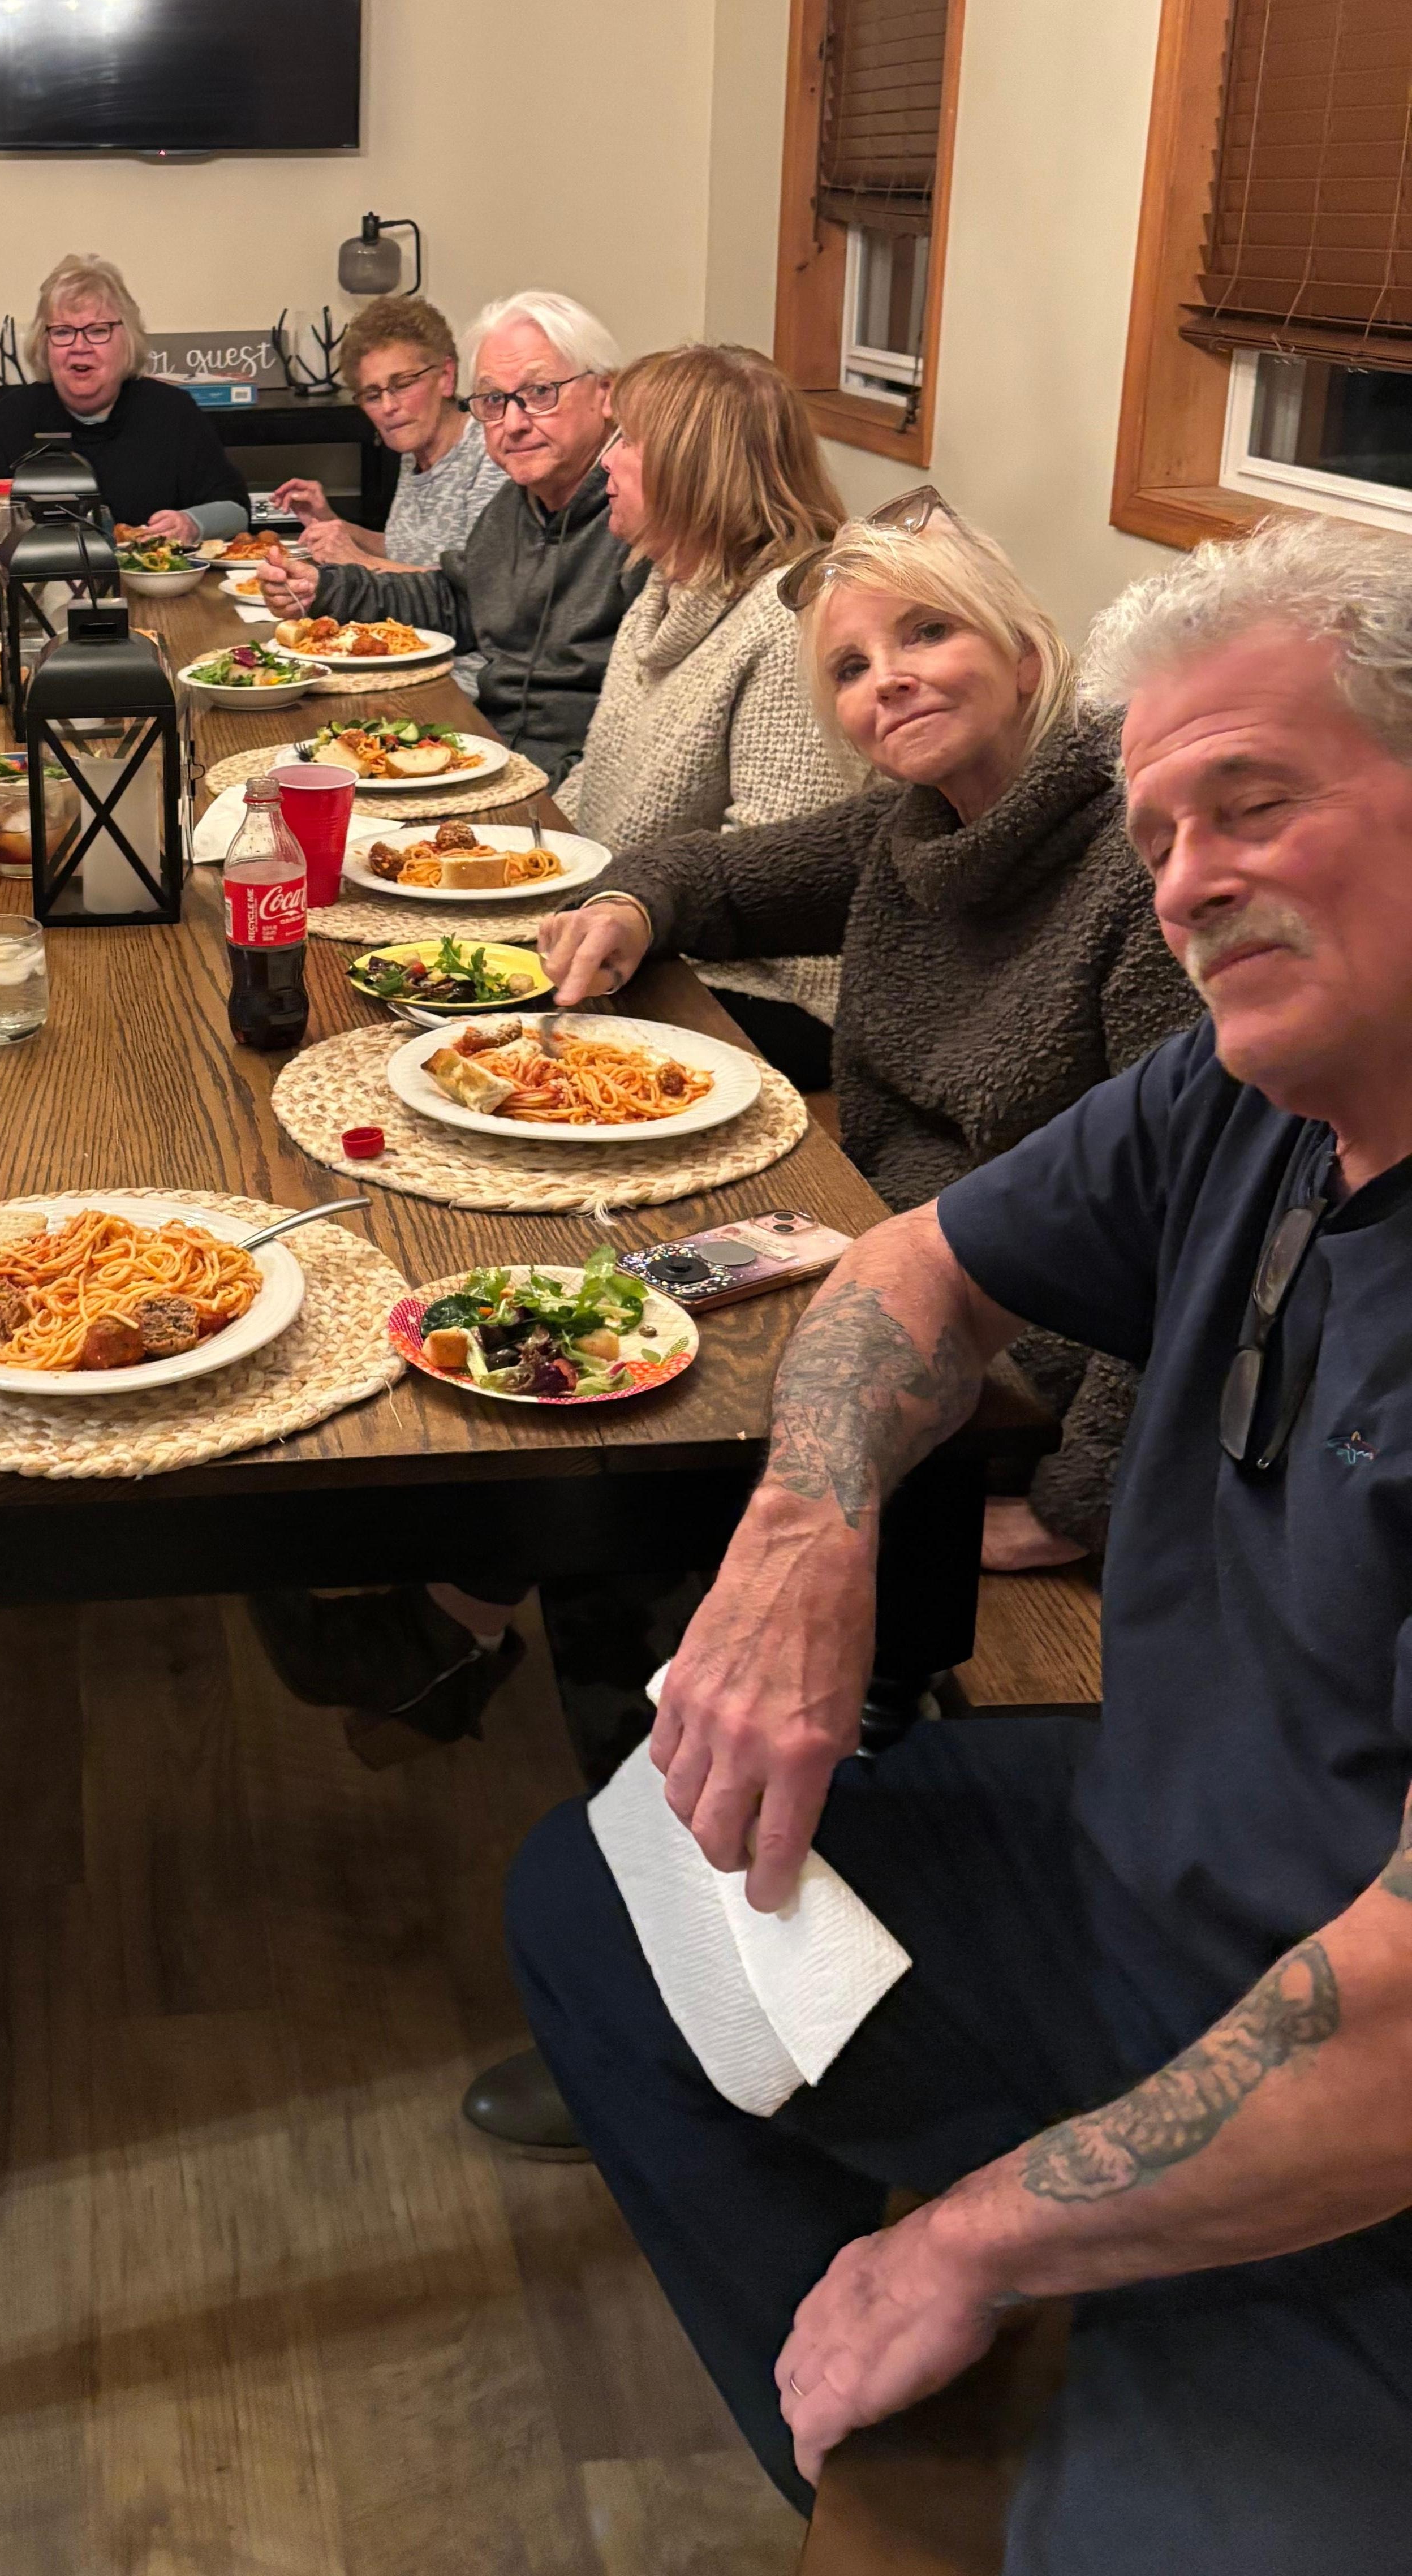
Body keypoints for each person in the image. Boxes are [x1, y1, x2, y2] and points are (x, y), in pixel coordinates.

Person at [509, 514, 1412, 2570]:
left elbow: (1393, 2038)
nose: (1183, 880)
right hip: (1132, 1865)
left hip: (1359, 2104)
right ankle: (919, 2449)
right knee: (606, 1890)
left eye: (1248, 804)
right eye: (1164, 824)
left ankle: (1028, 2361)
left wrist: (975, 2240)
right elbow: (906, 1266)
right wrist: (807, 1529)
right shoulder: (1242, 1092)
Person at [543, 492, 1202, 1565]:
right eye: (847, 668)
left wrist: (1079, 1503)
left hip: (1031, 1349)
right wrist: (627, 907)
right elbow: (712, 873)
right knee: (586, 1292)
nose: (885, 678)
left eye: (926, 631)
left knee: (637, 1403)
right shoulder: (913, 824)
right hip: (868, 1235)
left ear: (1026, 657)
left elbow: (1187, 1219)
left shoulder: (1135, 866)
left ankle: (535, 1635)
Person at [548, 344, 856, 1085]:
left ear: (690, 466)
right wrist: (517, 868)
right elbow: (601, 780)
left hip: (764, 991)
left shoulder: (788, 620)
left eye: (627, 440)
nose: (605, 463)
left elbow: (777, 873)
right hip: (637, 926)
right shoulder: (664, 589)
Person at [252, 290, 642, 783]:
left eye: (541, 392)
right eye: (495, 401)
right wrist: (325, 587)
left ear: (606, 393)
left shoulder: (641, 511)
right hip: (495, 747)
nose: (515, 424)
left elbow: (643, 722)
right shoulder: (517, 504)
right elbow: (457, 601)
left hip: (568, 782)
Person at [0, 254, 250, 544]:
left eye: (98, 331)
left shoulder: (172, 412)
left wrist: (192, 524)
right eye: (63, 332)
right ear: (45, 344)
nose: (80, 347)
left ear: (128, 340)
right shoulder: (9, 419)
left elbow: (237, 510)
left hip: (159, 594)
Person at [270, 291, 504, 567]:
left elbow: (475, 591)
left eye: (403, 385)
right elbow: (406, 552)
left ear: (446, 376)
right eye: (372, 395)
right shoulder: (415, 450)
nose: (388, 407)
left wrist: (360, 562)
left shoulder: (492, 453)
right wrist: (331, 524)